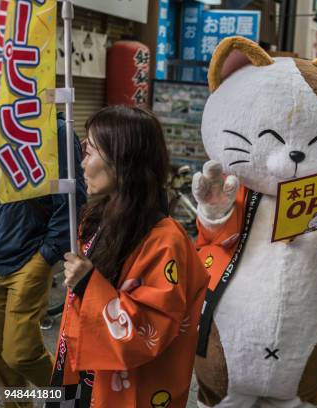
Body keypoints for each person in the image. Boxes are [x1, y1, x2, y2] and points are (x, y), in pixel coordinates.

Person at [48, 106, 209, 407]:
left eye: (90, 150)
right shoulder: (98, 217)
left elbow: (149, 331)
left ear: (122, 162)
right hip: (84, 373)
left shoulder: (166, 240)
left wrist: (87, 284)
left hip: (126, 390)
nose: (82, 162)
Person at [0, 113, 86, 407]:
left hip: (28, 257)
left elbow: (73, 197)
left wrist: (46, 254)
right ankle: (19, 403)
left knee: (20, 352)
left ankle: (70, 399)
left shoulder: (55, 129)